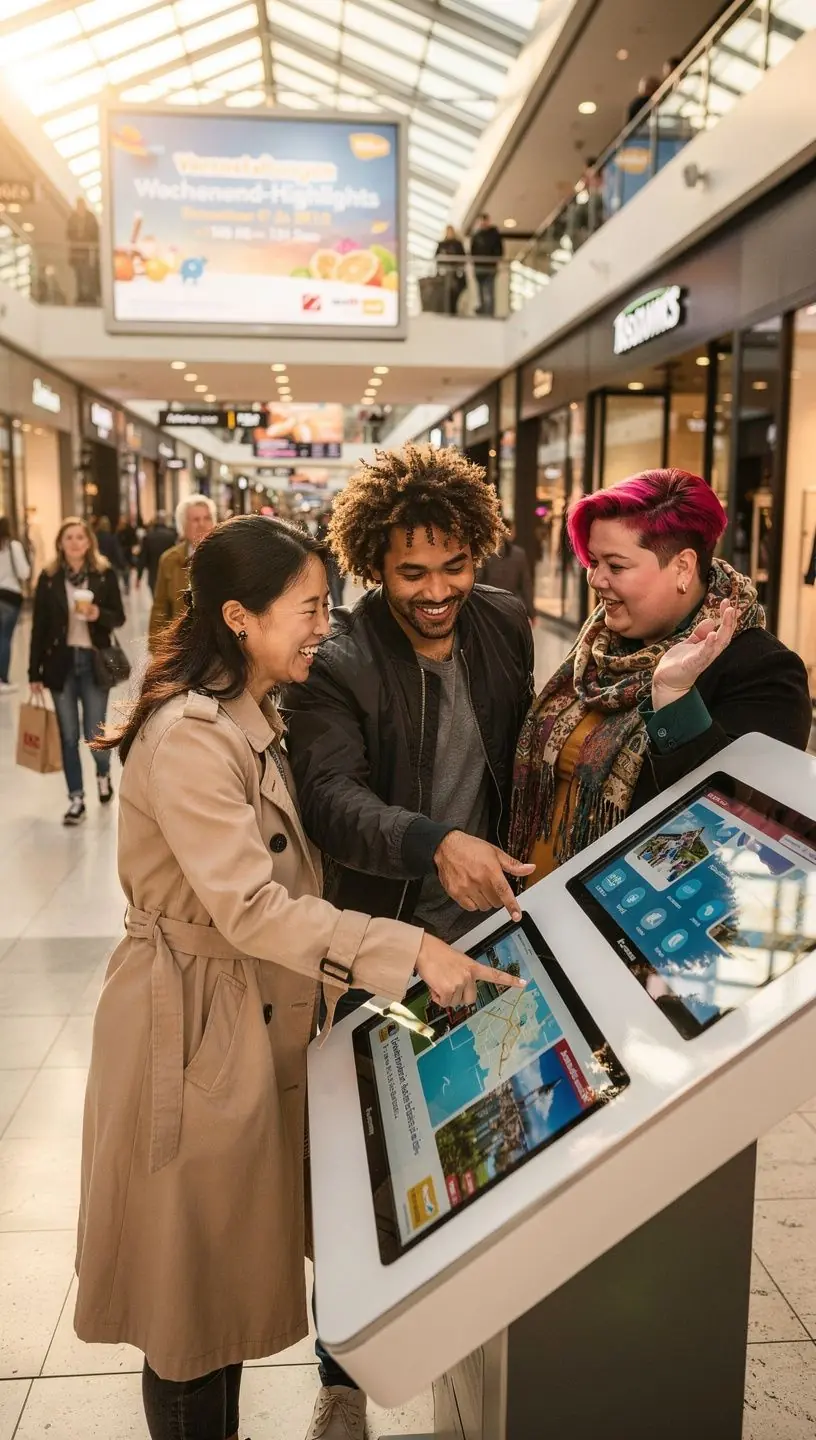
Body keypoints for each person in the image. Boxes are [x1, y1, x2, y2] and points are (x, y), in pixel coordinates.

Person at [72, 515, 521, 1440]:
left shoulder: (253, 708)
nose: (327, 624)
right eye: (310, 607)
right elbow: (252, 909)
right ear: (240, 616)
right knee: (188, 1309)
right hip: (188, 1025)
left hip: (243, 1012)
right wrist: (407, 949)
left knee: (212, 1299)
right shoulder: (197, 735)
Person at [508, 469, 812, 879]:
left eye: (616, 565)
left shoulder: (762, 670)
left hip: (635, 920)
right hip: (532, 904)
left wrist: (674, 698)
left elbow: (740, 824)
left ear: (683, 567)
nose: (596, 579)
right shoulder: (602, 645)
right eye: (594, 562)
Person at [28, 516, 125, 825]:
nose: (74, 543)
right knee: (68, 735)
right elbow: (39, 627)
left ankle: (102, 773)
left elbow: (119, 617)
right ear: (60, 543)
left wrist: (98, 614)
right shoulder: (49, 578)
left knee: (93, 732)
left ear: (89, 543)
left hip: (93, 661)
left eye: (80, 538)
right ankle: (76, 799)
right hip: (60, 664)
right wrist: (34, 672)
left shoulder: (103, 574)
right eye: (68, 537)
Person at [148, 493, 216, 648]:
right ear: (182, 526)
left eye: (207, 518)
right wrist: (157, 649)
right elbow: (160, 609)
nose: (202, 524)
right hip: (183, 647)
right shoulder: (169, 560)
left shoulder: (227, 555)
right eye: (195, 520)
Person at [478, 516, 535, 620]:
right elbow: (526, 586)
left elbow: (477, 582)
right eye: (513, 530)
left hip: (489, 609)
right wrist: (531, 613)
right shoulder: (519, 554)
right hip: (512, 609)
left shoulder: (485, 553)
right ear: (508, 532)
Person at [0, 516, 31, 693]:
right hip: (9, 596)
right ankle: (2, 678)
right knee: (5, 637)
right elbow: (24, 572)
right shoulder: (13, 547)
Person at [66, 196, 100, 305]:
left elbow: (95, 234)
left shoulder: (91, 217)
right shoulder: (72, 217)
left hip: (88, 252)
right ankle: (81, 294)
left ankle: (90, 294)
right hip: (76, 252)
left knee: (88, 274)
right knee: (79, 275)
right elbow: (68, 233)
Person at [470, 213, 503, 316]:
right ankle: (483, 309)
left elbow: (499, 250)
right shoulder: (476, 236)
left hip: (490, 266)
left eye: (485, 221)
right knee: (481, 291)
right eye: (481, 221)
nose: (483, 223)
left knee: (489, 291)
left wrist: (494, 260)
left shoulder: (494, 234)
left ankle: (489, 312)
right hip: (479, 267)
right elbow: (472, 251)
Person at [138, 512, 176, 594]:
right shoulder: (171, 536)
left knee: (157, 600)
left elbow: (143, 558)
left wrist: (139, 576)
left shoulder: (148, 537)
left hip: (154, 575)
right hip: (170, 574)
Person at [435, 224, 466, 315]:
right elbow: (436, 258)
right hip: (444, 272)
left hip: (455, 272)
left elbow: (462, 257)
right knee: (445, 291)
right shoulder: (442, 244)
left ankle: (452, 310)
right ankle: (445, 310)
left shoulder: (458, 244)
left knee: (454, 291)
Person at [94, 516, 128, 589]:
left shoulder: (95, 537)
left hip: (97, 565)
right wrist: (122, 565)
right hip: (111, 566)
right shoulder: (112, 538)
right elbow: (117, 552)